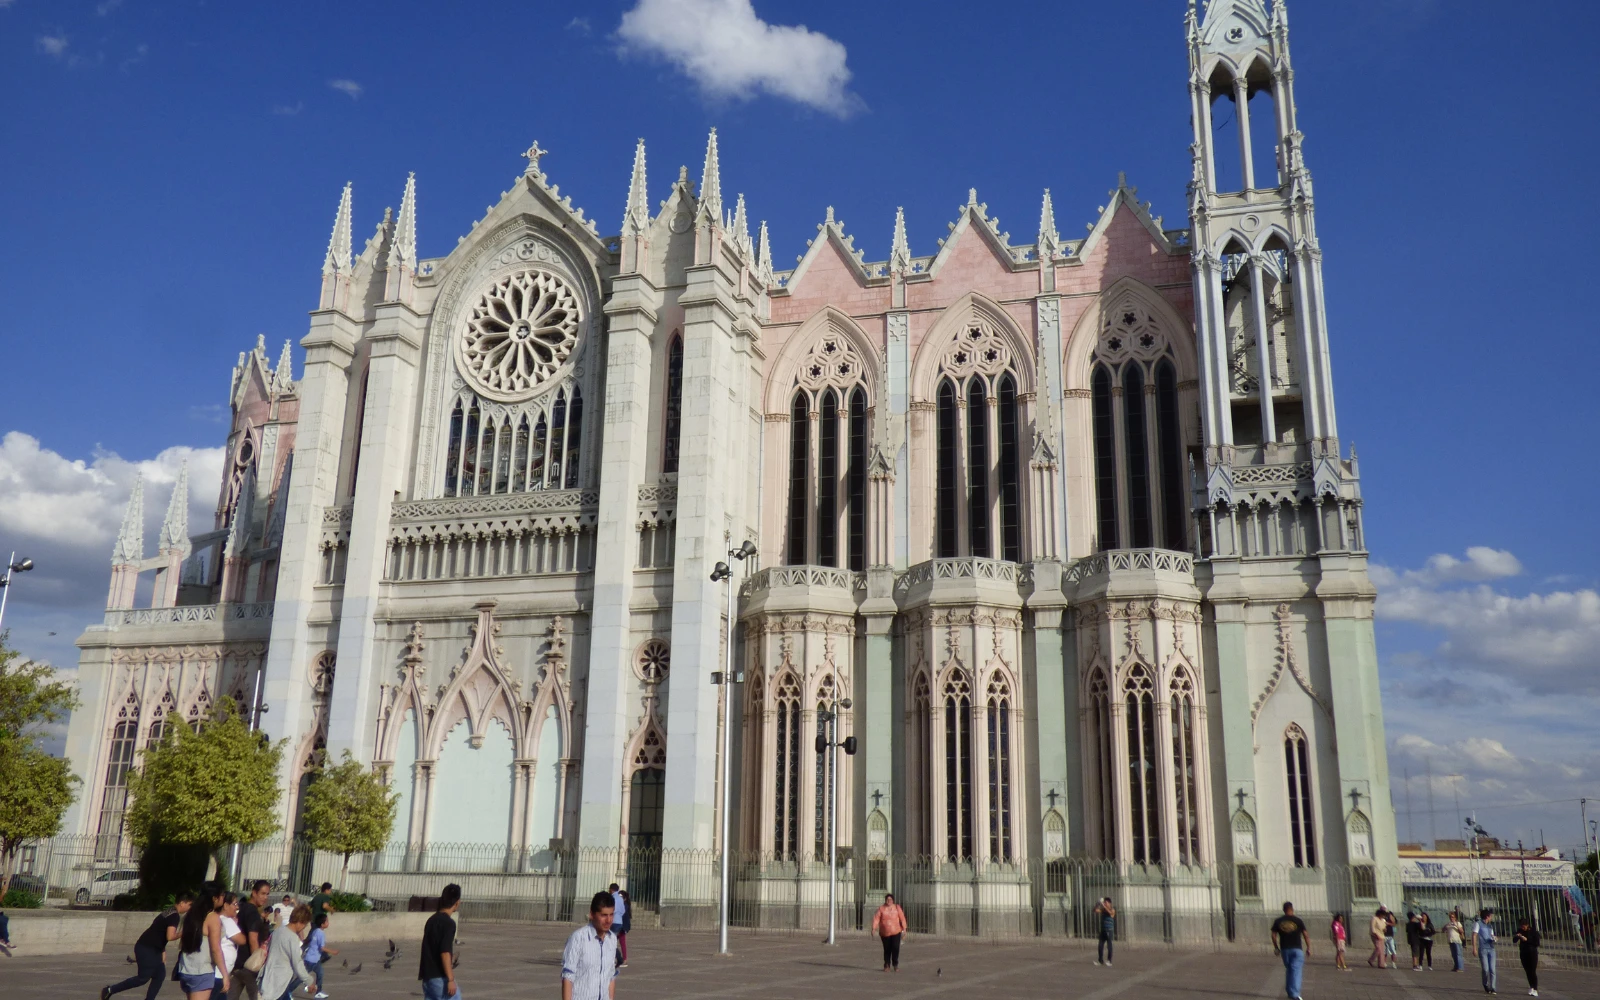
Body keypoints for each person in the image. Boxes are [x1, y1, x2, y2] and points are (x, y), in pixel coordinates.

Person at [103, 890, 194, 1000]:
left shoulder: (169, 911)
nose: (190, 908)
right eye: (190, 904)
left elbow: (158, 932)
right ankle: (110, 990)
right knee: (143, 978)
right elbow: (170, 936)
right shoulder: (174, 916)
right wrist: (185, 932)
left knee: (159, 975)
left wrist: (162, 951)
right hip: (146, 948)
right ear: (182, 903)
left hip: (152, 948)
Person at [562, 891, 619, 1000]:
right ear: (592, 914)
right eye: (603, 915)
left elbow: (611, 976)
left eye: (611, 914)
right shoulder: (578, 938)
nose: (609, 920)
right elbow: (568, 977)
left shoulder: (612, 939)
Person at [176, 886, 228, 999]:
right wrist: (224, 974)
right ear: (214, 898)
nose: (224, 898)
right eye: (222, 895)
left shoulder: (191, 914)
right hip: (202, 970)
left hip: (186, 967)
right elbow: (215, 948)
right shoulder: (212, 917)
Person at [258, 904, 314, 1000]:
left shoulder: (277, 931)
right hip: (280, 982)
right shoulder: (292, 938)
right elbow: (297, 963)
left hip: (269, 977)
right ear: (300, 922)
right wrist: (309, 981)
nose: (304, 928)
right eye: (305, 925)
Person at [419, 883, 463, 1000]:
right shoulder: (449, 924)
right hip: (439, 977)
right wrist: (450, 979)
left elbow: (433, 947)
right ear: (457, 903)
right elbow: (444, 952)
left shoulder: (431, 920)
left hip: (427, 977)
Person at [231, 880, 273, 1000]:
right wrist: (258, 964)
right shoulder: (253, 912)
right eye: (262, 893)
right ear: (254, 893)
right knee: (257, 997)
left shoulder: (243, 908)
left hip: (237, 963)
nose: (265, 897)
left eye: (267, 894)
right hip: (249, 964)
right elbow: (253, 939)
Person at [1271, 901, 1311, 1000]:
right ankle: (1295, 994)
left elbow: (1273, 935)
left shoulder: (1278, 921)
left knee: (1289, 969)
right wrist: (1308, 947)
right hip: (1297, 948)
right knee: (1296, 970)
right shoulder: (1298, 921)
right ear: (1292, 909)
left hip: (1285, 949)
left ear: (1284, 910)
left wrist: (1276, 947)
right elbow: (1305, 935)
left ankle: (1289, 990)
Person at [301, 912, 337, 1000]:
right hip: (311, 960)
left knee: (320, 973)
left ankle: (319, 992)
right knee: (301, 977)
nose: (328, 923)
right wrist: (333, 951)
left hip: (314, 959)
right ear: (322, 924)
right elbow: (322, 948)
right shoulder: (320, 933)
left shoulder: (315, 931)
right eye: (327, 921)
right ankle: (288, 991)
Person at [216, 893, 245, 996]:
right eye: (234, 904)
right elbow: (241, 940)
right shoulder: (227, 921)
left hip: (218, 972)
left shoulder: (216, 918)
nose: (236, 907)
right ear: (225, 905)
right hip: (219, 974)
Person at [871, 893, 907, 973]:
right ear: (885, 900)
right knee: (887, 949)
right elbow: (876, 918)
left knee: (895, 947)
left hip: (896, 931)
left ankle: (895, 964)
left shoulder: (897, 908)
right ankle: (887, 964)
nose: (889, 901)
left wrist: (904, 928)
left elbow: (902, 918)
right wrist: (874, 928)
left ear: (893, 900)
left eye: (890, 899)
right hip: (885, 932)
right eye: (887, 899)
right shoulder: (881, 909)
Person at [1473, 907, 1498, 995]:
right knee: (1485, 969)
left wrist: (1494, 938)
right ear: (1487, 916)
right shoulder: (1478, 924)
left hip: (1491, 948)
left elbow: (1492, 935)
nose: (1491, 918)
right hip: (1483, 948)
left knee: (1492, 969)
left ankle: (1493, 987)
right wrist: (1474, 948)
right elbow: (1474, 935)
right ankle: (1485, 984)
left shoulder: (1490, 926)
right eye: (1490, 916)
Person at [1513, 919, 1540, 997]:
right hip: (1523, 953)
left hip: (1532, 953)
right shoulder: (1520, 931)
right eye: (1521, 926)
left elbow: (1536, 943)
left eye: (1523, 926)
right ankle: (1531, 986)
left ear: (1527, 925)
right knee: (1527, 971)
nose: (1522, 928)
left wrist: (1527, 940)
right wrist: (1517, 936)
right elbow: (1514, 940)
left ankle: (1535, 988)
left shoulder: (1533, 932)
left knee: (1532, 971)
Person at [608, 883, 628, 970]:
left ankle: (618, 959)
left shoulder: (612, 898)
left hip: (613, 922)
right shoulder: (620, 898)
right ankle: (614, 959)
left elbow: (612, 910)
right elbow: (623, 910)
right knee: (612, 940)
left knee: (609, 941)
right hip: (619, 922)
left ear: (611, 889)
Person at [1093, 897, 1116, 966]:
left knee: (1109, 946)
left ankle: (1109, 960)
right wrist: (1097, 904)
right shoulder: (1103, 910)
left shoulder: (1112, 909)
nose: (1105, 904)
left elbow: (1110, 913)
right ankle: (1100, 960)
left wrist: (1104, 906)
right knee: (1100, 945)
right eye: (1104, 903)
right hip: (1103, 930)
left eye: (1106, 903)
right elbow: (1095, 910)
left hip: (1109, 930)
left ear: (1109, 903)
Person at [616, 888, 632, 969]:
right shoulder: (622, 904)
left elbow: (621, 914)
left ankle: (624, 960)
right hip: (621, 926)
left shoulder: (625, 905)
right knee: (618, 942)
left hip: (622, 927)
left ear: (624, 898)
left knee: (620, 943)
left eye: (621, 896)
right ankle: (622, 959)